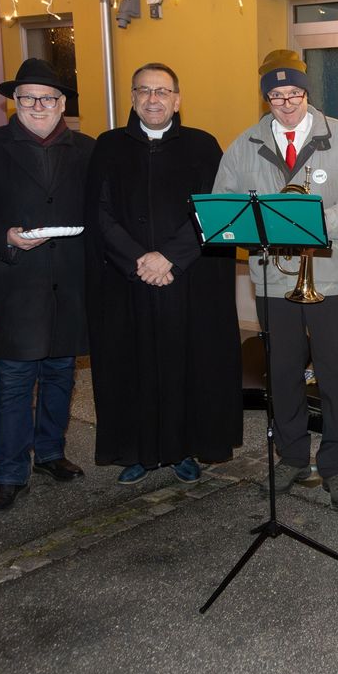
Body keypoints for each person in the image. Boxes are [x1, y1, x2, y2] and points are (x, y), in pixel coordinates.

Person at [213, 49, 338, 509]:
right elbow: (224, 205)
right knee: (283, 371)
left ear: (307, 93)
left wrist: (318, 222)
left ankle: (336, 466)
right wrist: (267, 225)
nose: (287, 104)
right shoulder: (244, 144)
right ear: (265, 98)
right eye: (276, 96)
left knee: (333, 373)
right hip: (274, 276)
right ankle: (290, 456)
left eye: (294, 94)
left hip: (332, 275)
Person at [84, 63, 242, 485]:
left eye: (162, 91)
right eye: (144, 91)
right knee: (131, 365)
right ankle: (138, 450)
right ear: (133, 97)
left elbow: (216, 209)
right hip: (127, 281)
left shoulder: (203, 146)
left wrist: (169, 257)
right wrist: (138, 259)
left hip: (185, 279)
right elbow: (97, 212)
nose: (153, 99)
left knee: (185, 364)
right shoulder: (108, 146)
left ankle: (181, 449)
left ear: (177, 99)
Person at [0, 58, 95, 513]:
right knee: (13, 382)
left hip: (70, 287)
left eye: (47, 98)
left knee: (59, 376)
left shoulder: (88, 149)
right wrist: (5, 237)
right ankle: (10, 472)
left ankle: (51, 453)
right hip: (13, 286)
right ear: (14, 102)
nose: (37, 105)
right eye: (27, 98)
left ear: (63, 104)